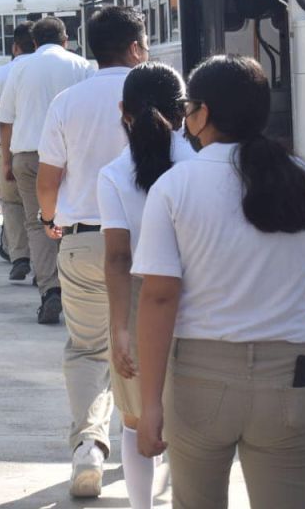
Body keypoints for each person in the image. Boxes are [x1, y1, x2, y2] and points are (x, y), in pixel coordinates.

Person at [133, 55, 305, 509]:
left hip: (199, 379)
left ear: (203, 113)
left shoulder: (175, 187)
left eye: (188, 105)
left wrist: (150, 402)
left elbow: (158, 299)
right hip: (291, 377)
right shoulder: (304, 179)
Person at [35, 6, 148, 498]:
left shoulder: (67, 101)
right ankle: (145, 442)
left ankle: (88, 444)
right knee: (150, 345)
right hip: (150, 242)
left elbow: (48, 179)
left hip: (83, 238)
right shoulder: (162, 90)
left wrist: (49, 220)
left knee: (87, 350)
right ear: (137, 47)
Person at [96, 62, 196, 509]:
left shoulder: (113, 174)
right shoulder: (199, 164)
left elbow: (117, 257)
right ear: (185, 111)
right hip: (199, 295)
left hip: (139, 301)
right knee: (192, 421)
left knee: (136, 420)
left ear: (123, 110)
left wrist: (120, 328)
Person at [0, 17, 94, 324]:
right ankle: (74, 289)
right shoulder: (82, 66)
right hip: (71, 154)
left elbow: (7, 118)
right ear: (66, 40)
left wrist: (5, 159)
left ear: (34, 42)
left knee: (37, 222)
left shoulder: (19, 68)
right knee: (72, 219)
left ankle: (50, 290)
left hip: (27, 155)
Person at [0, 22, 36, 282]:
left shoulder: (2, 74)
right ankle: (45, 263)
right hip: (50, 149)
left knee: (13, 204)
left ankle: (20, 256)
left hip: (12, 148)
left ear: (15, 46)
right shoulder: (51, 67)